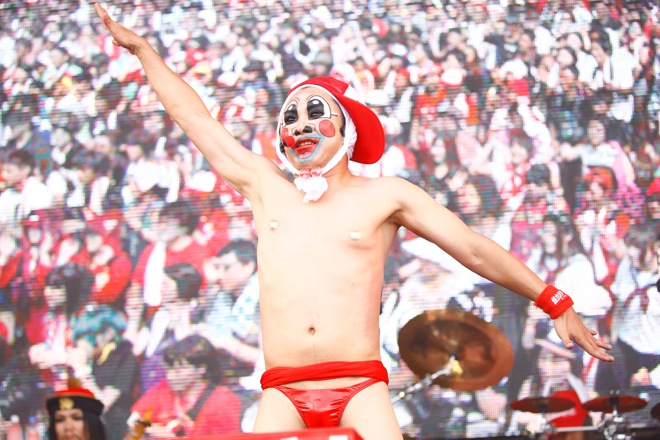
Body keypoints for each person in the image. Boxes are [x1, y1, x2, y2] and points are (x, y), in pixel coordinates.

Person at [95, 5, 613, 438]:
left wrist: (553, 300)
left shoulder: (386, 195)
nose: (300, 126)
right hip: (282, 390)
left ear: (344, 130)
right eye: (290, 117)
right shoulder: (265, 186)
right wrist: (144, 52)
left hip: (360, 387)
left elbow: (473, 249)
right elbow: (196, 119)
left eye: (313, 113)